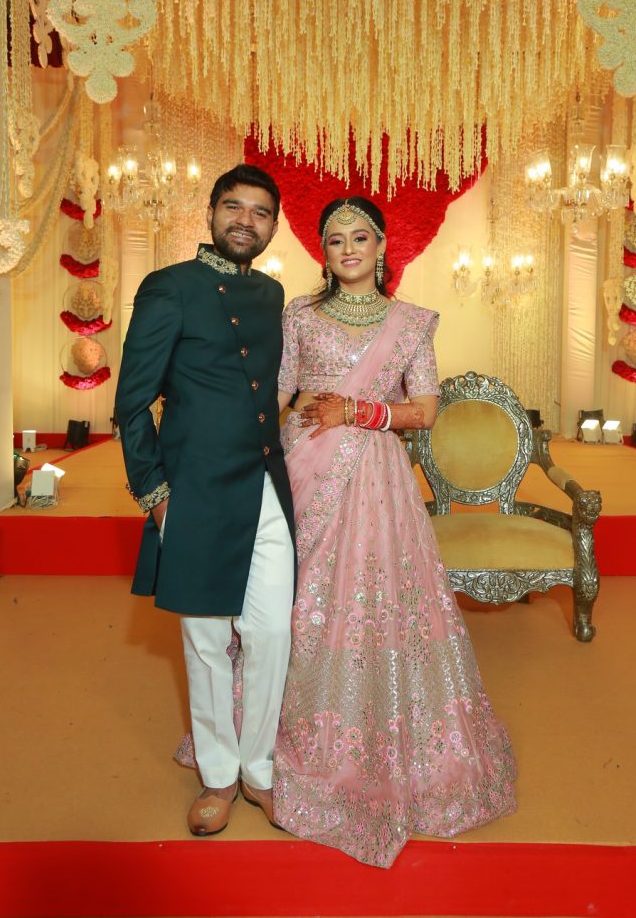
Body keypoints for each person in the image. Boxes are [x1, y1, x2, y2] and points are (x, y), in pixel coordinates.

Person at [272, 196, 517, 868]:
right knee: (297, 599)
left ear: (381, 247)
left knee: (376, 600)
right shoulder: (297, 314)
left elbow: (426, 410)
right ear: (321, 251)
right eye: (333, 240)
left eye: (359, 238)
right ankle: (280, 734)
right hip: (306, 469)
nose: (346, 249)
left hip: (376, 478)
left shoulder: (409, 323)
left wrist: (356, 408)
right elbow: (278, 390)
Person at [115, 164, 295, 836]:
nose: (245, 221)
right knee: (205, 640)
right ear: (211, 212)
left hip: (267, 486)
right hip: (194, 490)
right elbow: (132, 401)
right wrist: (157, 495)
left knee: (272, 632)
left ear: (273, 225)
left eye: (260, 212)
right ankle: (219, 774)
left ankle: (261, 770)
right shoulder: (168, 288)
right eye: (233, 207)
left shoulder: (274, 294)